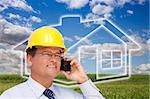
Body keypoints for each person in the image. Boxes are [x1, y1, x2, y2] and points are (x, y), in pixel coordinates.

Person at [0, 26, 105, 99]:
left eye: (58, 55)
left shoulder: (71, 96)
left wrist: (83, 80)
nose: (54, 59)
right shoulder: (11, 96)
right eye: (47, 53)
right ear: (30, 59)